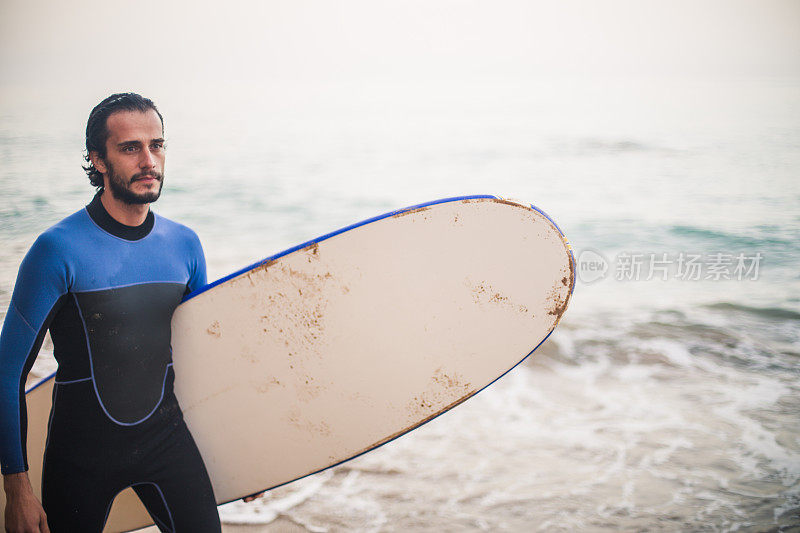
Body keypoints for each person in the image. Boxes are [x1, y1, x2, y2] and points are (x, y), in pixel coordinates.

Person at [0, 93, 222, 532]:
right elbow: (6, 372)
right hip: (81, 457)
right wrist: (17, 491)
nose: (148, 160)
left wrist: (243, 456)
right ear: (97, 160)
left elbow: (203, 361)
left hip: (168, 443)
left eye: (156, 145)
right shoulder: (57, 250)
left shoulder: (185, 246)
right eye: (129, 147)